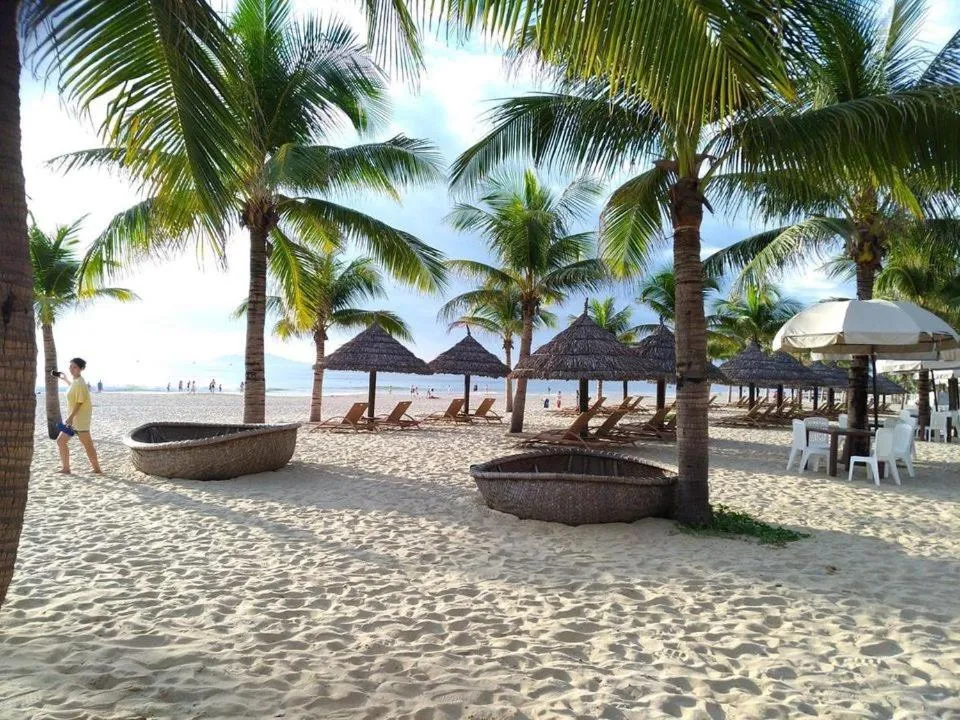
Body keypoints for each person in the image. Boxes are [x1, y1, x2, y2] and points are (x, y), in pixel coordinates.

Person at [54, 358, 102, 475]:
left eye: (74, 367)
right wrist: (65, 379)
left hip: (80, 420)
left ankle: (97, 470)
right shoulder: (76, 381)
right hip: (73, 420)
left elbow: (79, 403)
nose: (71, 369)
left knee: (87, 445)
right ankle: (66, 468)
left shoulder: (80, 383)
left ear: (81, 369)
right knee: (61, 441)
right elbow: (73, 388)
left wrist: (70, 417)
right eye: (70, 366)